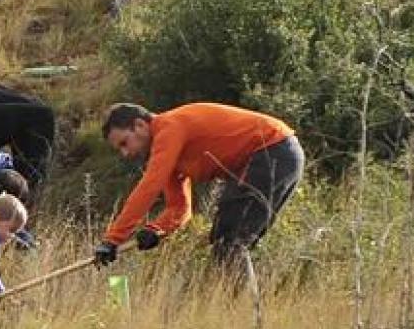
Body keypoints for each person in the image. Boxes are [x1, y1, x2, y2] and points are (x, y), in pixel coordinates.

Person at [93, 102, 302, 285]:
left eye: (124, 143)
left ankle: (245, 312)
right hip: (273, 156)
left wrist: (113, 240)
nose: (126, 153)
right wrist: (156, 230)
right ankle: (241, 309)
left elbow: (150, 185)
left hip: (273, 150)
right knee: (226, 240)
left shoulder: (169, 128)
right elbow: (180, 209)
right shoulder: (166, 152)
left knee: (230, 240)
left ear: (139, 125)